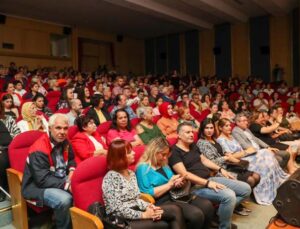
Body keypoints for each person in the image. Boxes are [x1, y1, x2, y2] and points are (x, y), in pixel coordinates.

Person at [169, 122, 251, 229]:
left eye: (192, 132)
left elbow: (204, 160)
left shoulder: (192, 145)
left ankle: (219, 214)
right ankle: (224, 226)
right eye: (187, 132)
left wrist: (221, 169)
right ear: (179, 135)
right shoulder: (174, 152)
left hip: (210, 178)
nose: (191, 134)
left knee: (246, 189)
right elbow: (185, 174)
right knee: (229, 196)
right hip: (195, 186)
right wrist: (208, 183)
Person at [102, 139, 185, 229]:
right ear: (120, 157)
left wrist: (150, 207)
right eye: (129, 152)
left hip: (136, 211)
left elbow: (136, 199)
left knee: (175, 210)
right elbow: (117, 210)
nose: (134, 153)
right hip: (122, 220)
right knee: (165, 221)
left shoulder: (131, 173)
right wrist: (143, 215)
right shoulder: (111, 178)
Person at [136, 137, 215, 229]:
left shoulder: (163, 163)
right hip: (161, 201)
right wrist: (170, 184)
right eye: (163, 154)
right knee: (196, 215)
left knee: (207, 205)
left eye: (167, 154)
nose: (165, 158)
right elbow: (147, 193)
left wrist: (179, 181)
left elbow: (171, 179)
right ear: (153, 152)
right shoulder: (143, 168)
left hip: (176, 195)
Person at [22, 113, 76, 229]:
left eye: (65, 128)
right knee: (65, 200)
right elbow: (42, 179)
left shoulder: (65, 141)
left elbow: (71, 159)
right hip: (36, 186)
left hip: (59, 178)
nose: (62, 132)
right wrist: (67, 185)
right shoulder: (39, 149)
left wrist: (72, 172)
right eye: (58, 128)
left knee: (82, 189)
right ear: (49, 128)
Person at [217, 118, 288, 205]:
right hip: (238, 162)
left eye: (229, 125)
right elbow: (230, 157)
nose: (229, 128)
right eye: (226, 126)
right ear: (220, 128)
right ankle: (264, 191)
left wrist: (246, 152)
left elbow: (245, 146)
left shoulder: (231, 136)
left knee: (266, 153)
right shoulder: (221, 140)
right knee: (264, 154)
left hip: (245, 157)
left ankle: (274, 185)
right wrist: (246, 152)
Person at [197, 118, 259, 189]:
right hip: (219, 171)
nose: (209, 130)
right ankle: (242, 194)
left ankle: (244, 193)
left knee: (256, 176)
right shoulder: (202, 143)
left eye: (211, 128)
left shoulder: (213, 139)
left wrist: (227, 154)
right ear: (202, 129)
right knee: (251, 180)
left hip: (228, 165)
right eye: (206, 128)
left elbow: (223, 152)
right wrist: (225, 157)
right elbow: (211, 162)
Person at [0, 101, 20, 201]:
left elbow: (17, 133)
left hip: (11, 146)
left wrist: (12, 144)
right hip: (1, 150)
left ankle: (18, 188)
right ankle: (3, 188)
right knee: (3, 160)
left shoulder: (8, 118)